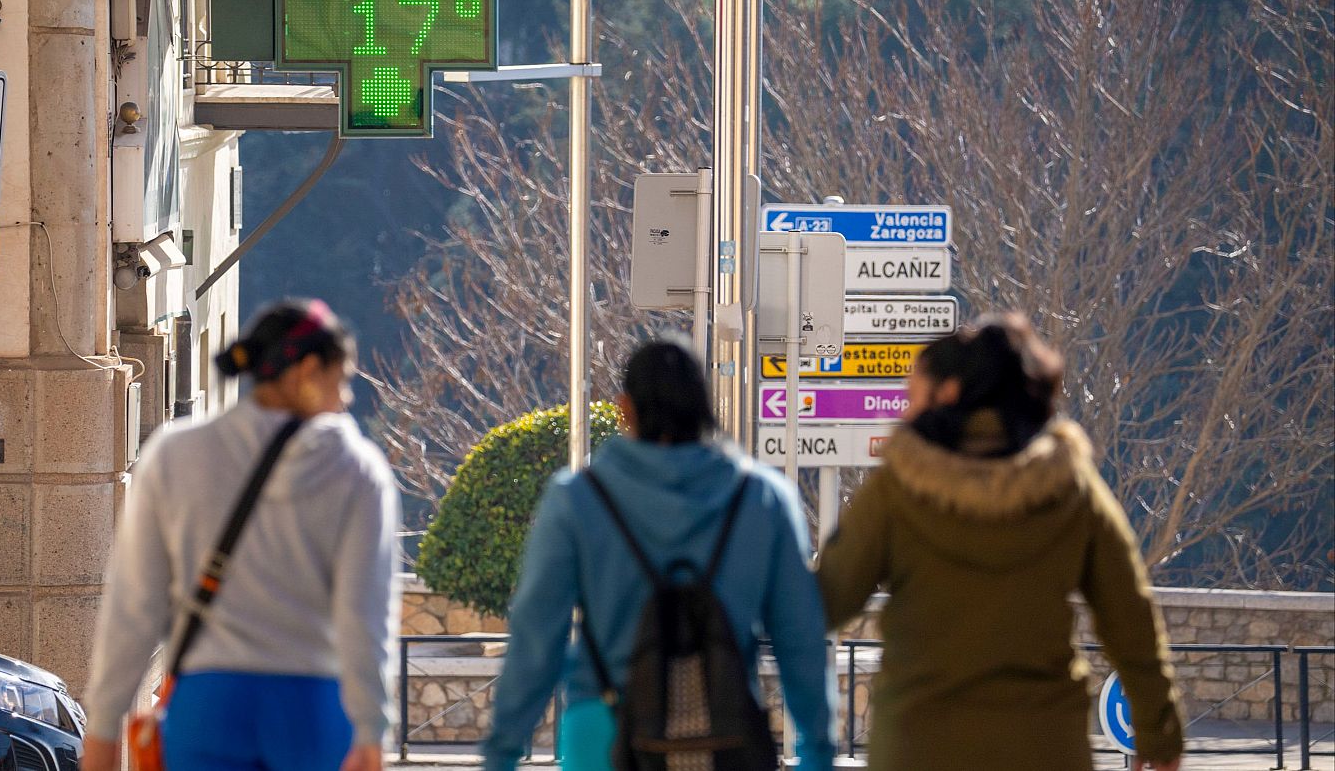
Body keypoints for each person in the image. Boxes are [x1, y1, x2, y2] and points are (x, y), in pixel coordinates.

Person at [815, 313, 1184, 771]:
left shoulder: (899, 489)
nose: (905, 412)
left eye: (911, 395)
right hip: (1044, 745)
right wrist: (1159, 733)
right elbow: (1129, 616)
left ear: (947, 393)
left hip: (920, 743)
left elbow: (826, 600)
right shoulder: (1070, 486)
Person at [484, 337, 838, 771]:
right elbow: (799, 638)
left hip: (603, 732)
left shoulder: (577, 500)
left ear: (624, 409)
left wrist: (501, 752)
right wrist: (818, 751)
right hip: (726, 736)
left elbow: (537, 635)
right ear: (704, 408)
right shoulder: (762, 498)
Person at [81, 299, 398, 771]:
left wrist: (104, 727)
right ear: (307, 371)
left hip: (208, 706)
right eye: (343, 379)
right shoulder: (356, 468)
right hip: (312, 710)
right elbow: (364, 614)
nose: (346, 398)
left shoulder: (175, 455)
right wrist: (372, 730)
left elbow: (135, 604)